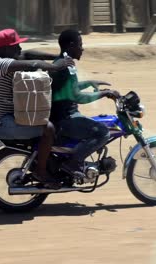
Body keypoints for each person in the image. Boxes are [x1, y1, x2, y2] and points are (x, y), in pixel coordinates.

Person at [0, 29, 74, 189]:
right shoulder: (2, 64)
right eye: (15, 45)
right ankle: (40, 172)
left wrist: (56, 56)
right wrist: (58, 66)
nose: (19, 49)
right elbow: (33, 63)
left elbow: (29, 54)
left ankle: (48, 162)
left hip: (4, 118)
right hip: (1, 123)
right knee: (49, 129)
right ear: (4, 49)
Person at [49, 29, 121, 177]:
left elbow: (69, 88)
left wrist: (89, 83)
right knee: (103, 132)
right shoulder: (66, 66)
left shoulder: (61, 62)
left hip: (65, 116)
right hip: (65, 120)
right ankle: (73, 163)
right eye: (80, 44)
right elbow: (78, 97)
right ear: (70, 45)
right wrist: (104, 93)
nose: (82, 48)